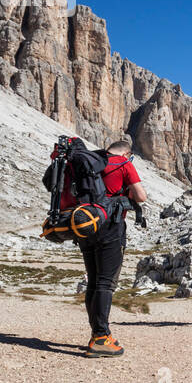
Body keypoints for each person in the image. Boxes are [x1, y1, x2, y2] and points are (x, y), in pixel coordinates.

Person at [61, 139, 147, 357]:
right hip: (110, 227)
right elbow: (141, 196)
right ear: (127, 153)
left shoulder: (88, 161)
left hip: (85, 227)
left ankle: (97, 334)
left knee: (94, 279)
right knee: (105, 282)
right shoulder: (123, 163)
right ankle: (100, 337)